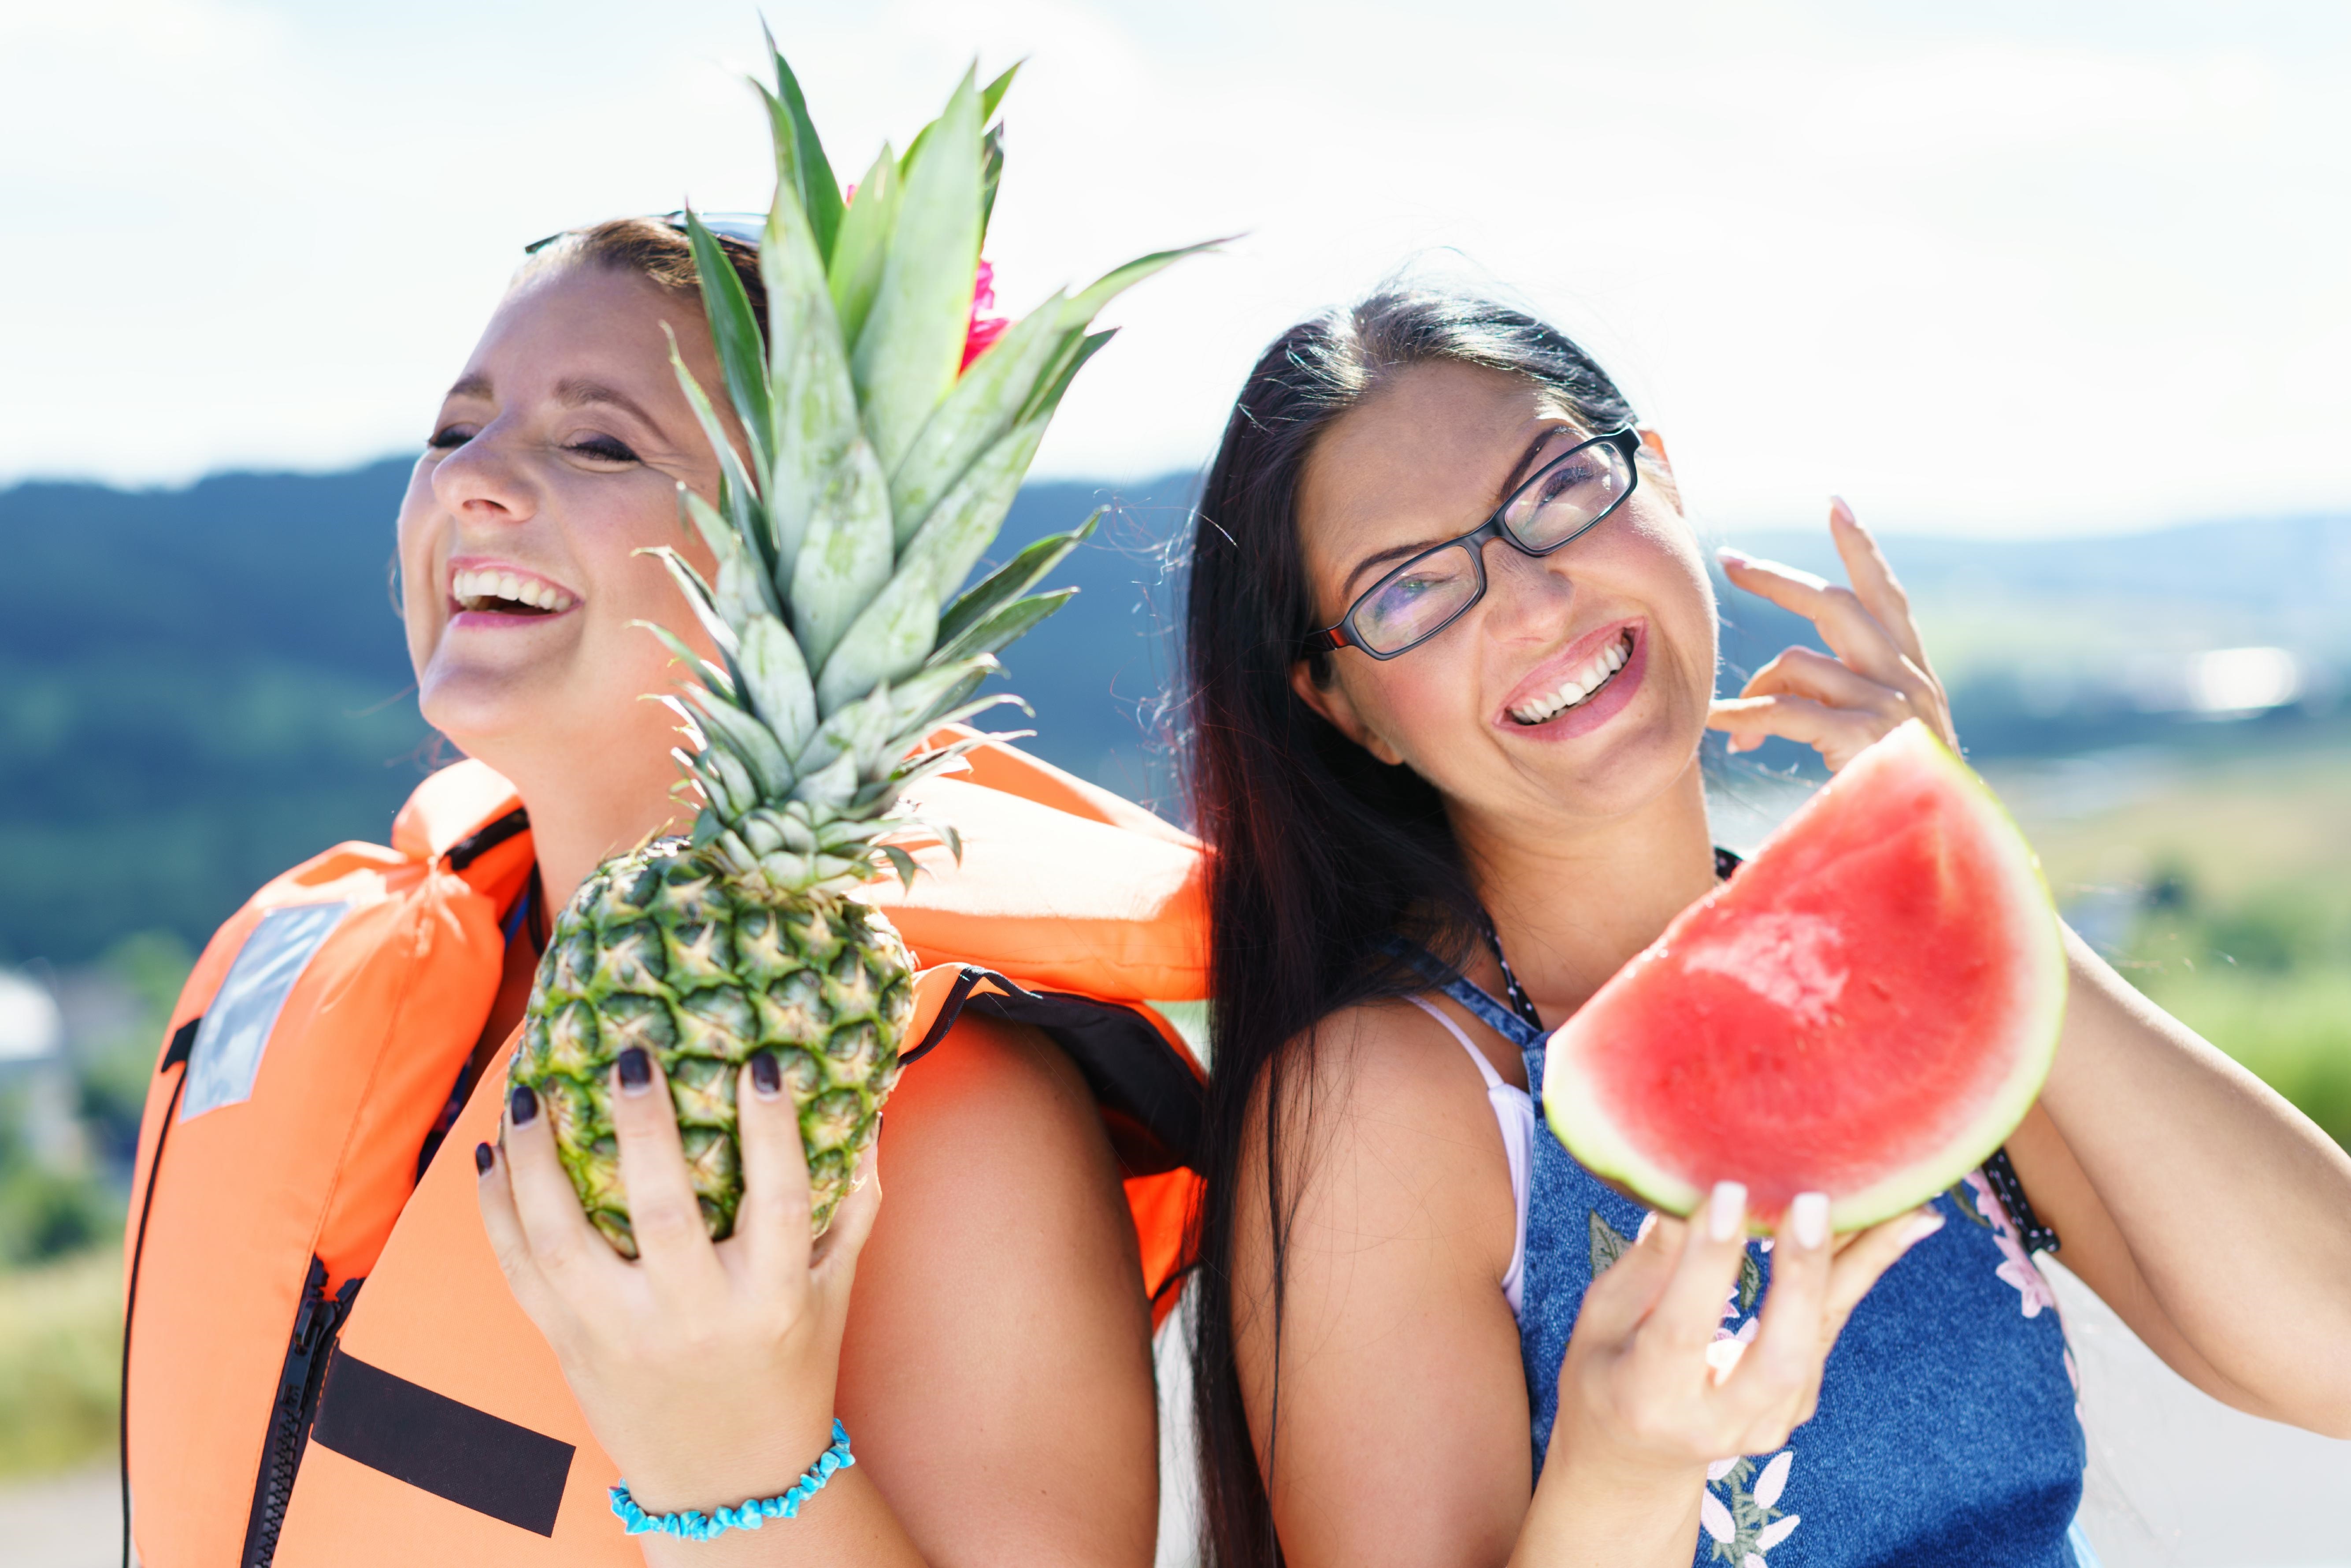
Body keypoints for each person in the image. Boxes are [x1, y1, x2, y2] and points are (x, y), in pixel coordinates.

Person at [1174, 287, 2351, 1568]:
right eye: (1410, 591)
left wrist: (1957, 867)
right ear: (1348, 710)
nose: (1532, 597)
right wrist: (1627, 1473)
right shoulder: (1394, 1099)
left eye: (1559, 488)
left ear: (1662, 487)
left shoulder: (1884, 975)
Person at [122, 217, 1199, 1568]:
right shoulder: (332, 947)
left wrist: (732, 1460)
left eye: (601, 443)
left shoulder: (939, 1109)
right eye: (457, 430)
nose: (473, 482)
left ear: (798, 585)